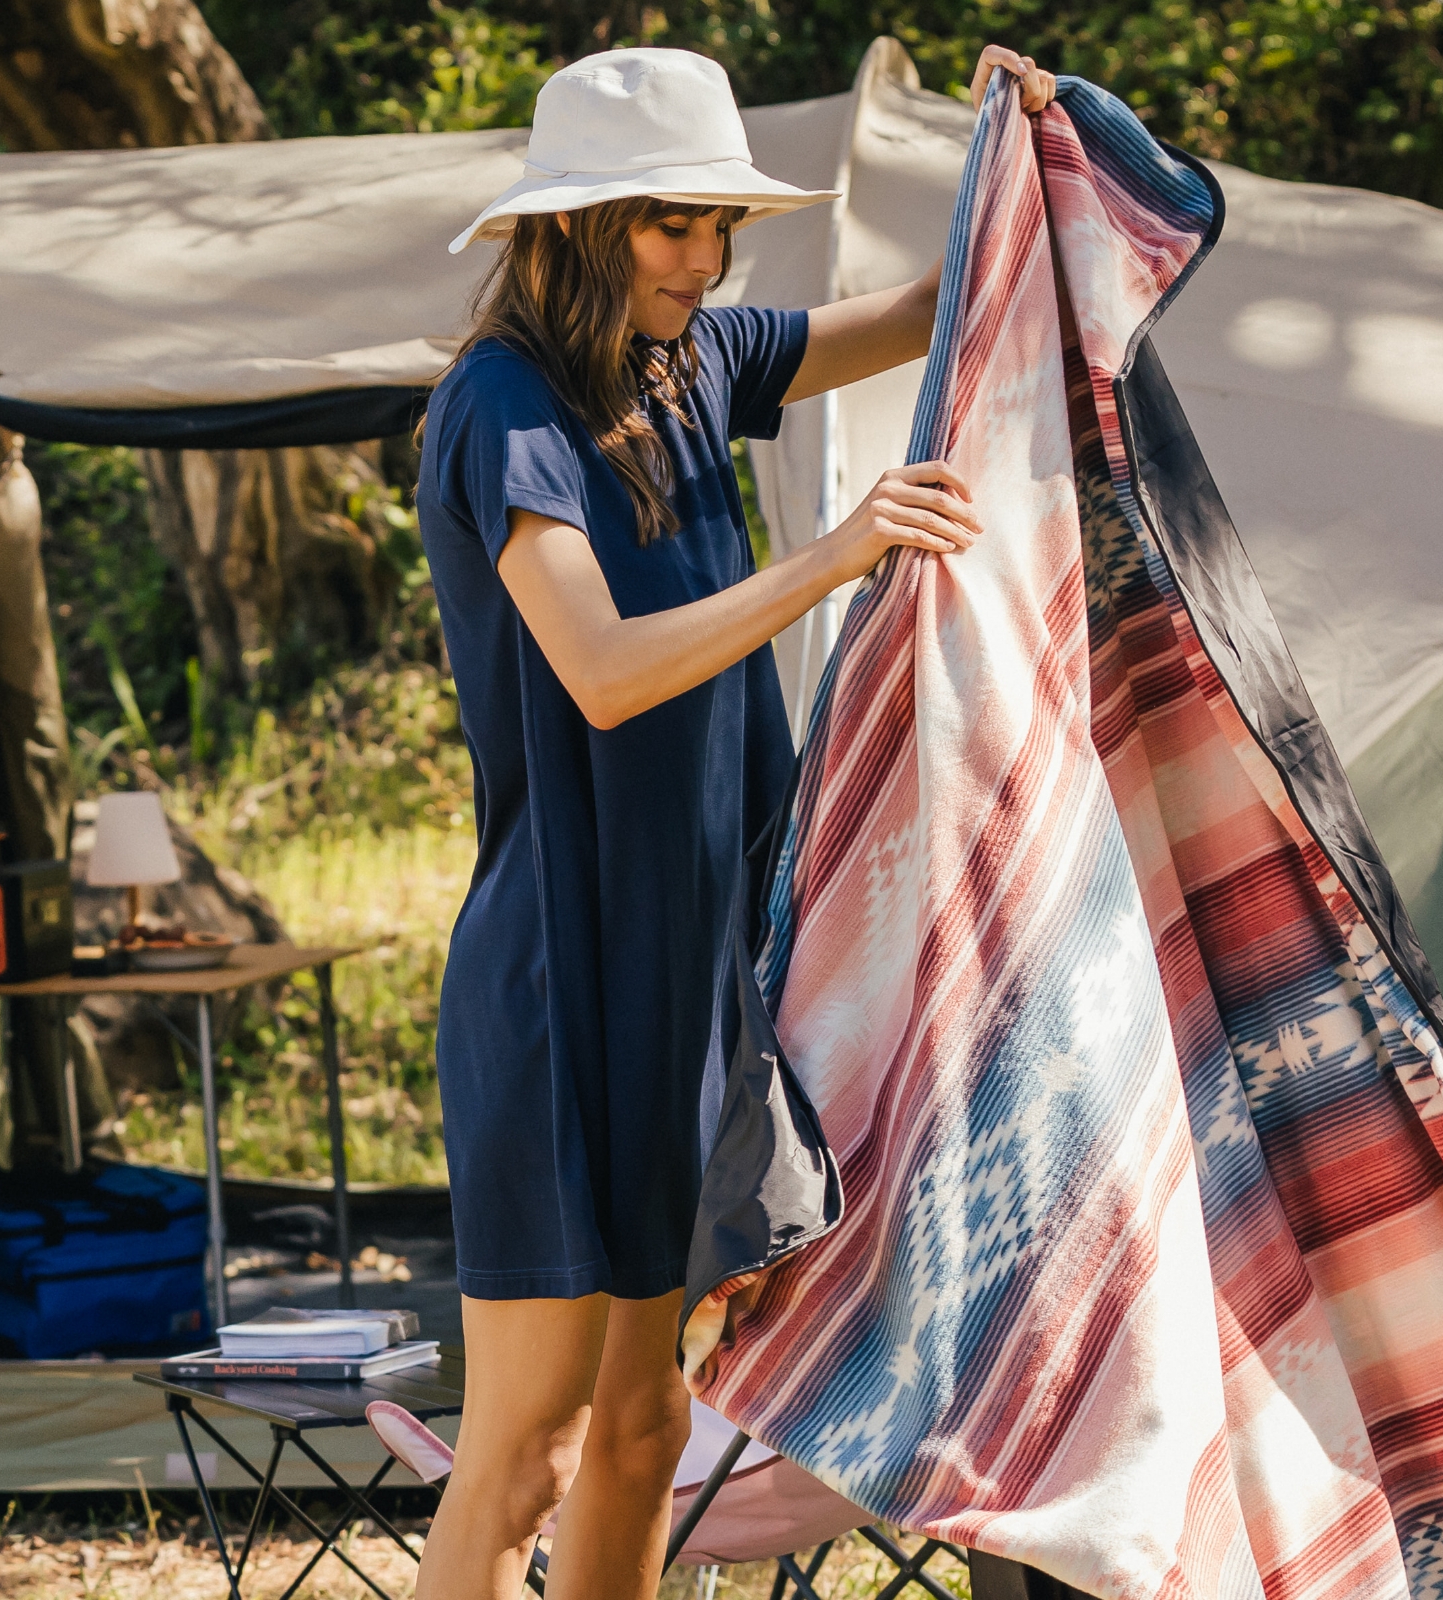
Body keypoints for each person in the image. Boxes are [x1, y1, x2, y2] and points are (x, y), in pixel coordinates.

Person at [413, 41, 1058, 1600]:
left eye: (718, 230)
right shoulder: (506, 406)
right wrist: (835, 557)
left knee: (645, 1431)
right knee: (529, 1452)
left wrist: (1020, 148)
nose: (704, 262)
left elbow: (925, 315)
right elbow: (607, 671)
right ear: (572, 227)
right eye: (669, 227)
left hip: (700, 976)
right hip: (567, 978)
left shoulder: (685, 361)